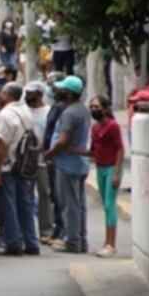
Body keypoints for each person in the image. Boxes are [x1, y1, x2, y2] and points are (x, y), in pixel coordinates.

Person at [0, 83, 40, 256]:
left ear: (7, 95)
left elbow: (1, 145)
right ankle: (31, 241)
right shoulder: (26, 111)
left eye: (1, 93)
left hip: (9, 165)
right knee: (25, 203)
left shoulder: (5, 115)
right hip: (25, 164)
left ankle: (13, 242)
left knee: (9, 204)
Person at [45, 76, 90, 253]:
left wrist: (50, 153)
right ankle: (80, 239)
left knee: (69, 204)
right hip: (78, 164)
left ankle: (72, 241)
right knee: (79, 204)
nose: (58, 92)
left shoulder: (70, 113)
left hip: (67, 164)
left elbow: (63, 141)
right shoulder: (82, 110)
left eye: (62, 90)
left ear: (70, 94)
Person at [84, 96, 124, 258]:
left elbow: (120, 149)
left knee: (109, 205)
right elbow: (92, 151)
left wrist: (116, 172)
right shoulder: (95, 128)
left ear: (105, 108)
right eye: (92, 106)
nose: (94, 109)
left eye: (97, 106)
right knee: (105, 206)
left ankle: (111, 244)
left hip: (111, 168)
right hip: (100, 169)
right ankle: (106, 242)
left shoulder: (113, 126)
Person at [24, 81, 52, 241]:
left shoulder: (48, 112)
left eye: (31, 94)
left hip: (42, 160)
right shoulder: (25, 112)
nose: (28, 97)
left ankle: (46, 230)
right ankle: (28, 231)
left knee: (44, 195)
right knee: (25, 195)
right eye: (27, 94)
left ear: (40, 95)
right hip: (26, 161)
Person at [43, 73, 67, 242]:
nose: (52, 89)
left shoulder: (61, 108)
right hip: (52, 156)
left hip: (57, 157)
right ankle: (58, 228)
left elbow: (58, 134)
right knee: (55, 194)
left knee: (60, 195)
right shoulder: (56, 106)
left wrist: (50, 153)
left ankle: (62, 229)